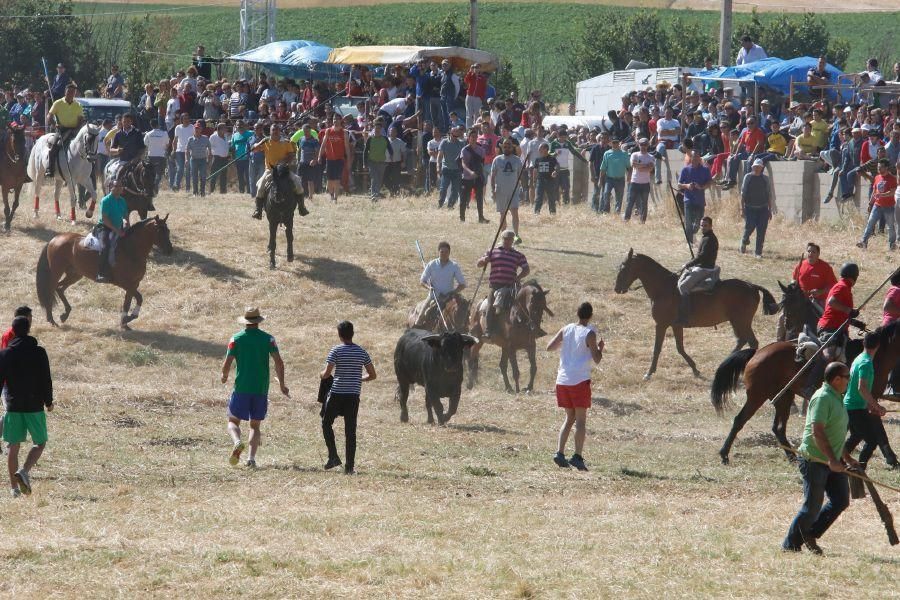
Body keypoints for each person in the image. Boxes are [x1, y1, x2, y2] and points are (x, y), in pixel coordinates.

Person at [782, 361, 857, 555]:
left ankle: (810, 534)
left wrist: (847, 458)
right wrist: (833, 460)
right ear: (837, 379)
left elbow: (836, 434)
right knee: (811, 507)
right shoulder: (822, 398)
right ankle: (790, 545)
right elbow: (818, 432)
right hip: (814, 459)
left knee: (841, 500)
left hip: (832, 460)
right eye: (847, 377)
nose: (849, 380)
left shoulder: (837, 397)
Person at [221, 307, 289, 469]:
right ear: (258, 321)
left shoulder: (236, 339)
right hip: (261, 388)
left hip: (242, 387)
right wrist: (281, 384)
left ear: (245, 322)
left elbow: (228, 362)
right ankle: (251, 459)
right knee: (255, 425)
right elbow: (279, 362)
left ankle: (237, 442)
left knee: (233, 421)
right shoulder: (268, 339)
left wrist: (224, 376)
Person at [546, 302, 604, 471]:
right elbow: (597, 358)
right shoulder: (590, 333)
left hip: (562, 380)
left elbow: (550, 347)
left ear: (577, 313)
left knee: (569, 417)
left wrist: (564, 346)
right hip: (579, 380)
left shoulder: (566, 329)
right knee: (580, 421)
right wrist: (600, 348)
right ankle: (577, 456)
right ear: (590, 315)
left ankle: (559, 453)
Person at [0, 316, 52, 497]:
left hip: (13, 406)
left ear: (13, 331)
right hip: (34, 406)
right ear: (29, 329)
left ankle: (14, 489)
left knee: (13, 447)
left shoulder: (5, 353)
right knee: (40, 443)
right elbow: (46, 378)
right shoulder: (39, 352)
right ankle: (24, 471)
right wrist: (49, 401)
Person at [320, 321, 376, 475]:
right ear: (353, 333)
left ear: (339, 335)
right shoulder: (362, 352)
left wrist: (321, 374)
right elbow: (373, 375)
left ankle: (333, 456)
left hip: (337, 393)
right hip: (353, 395)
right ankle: (349, 467)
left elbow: (326, 374)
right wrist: (360, 379)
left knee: (326, 423)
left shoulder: (336, 350)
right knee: (350, 430)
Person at [843, 333, 897, 468]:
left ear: (864, 343)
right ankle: (860, 469)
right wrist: (876, 406)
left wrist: (869, 405)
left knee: (856, 436)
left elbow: (857, 388)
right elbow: (862, 388)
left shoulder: (859, 358)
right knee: (872, 441)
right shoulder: (866, 363)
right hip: (854, 408)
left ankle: (839, 459)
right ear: (878, 346)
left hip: (853, 405)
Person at [477, 230, 530, 338]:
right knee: (491, 306)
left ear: (513, 241)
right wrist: (484, 260)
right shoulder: (493, 251)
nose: (507, 241)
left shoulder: (518, 255)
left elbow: (526, 269)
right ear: (502, 239)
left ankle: (528, 329)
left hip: (511, 286)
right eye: (505, 239)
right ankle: (488, 330)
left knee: (522, 305)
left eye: (510, 239)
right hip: (495, 286)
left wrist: (518, 277)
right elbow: (479, 264)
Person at [251, 124, 308, 219]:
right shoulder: (265, 142)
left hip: (284, 170)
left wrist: (283, 161)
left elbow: (291, 155)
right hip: (270, 171)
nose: (275, 132)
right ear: (270, 132)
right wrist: (261, 141)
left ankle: (302, 207)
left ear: (280, 131)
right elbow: (254, 150)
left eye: (277, 130)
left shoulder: (286, 142)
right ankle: (258, 210)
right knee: (260, 186)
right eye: (273, 130)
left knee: (298, 184)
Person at [675, 216, 718, 325]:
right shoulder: (705, 237)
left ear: (711, 226)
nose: (703, 227)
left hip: (705, 269)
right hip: (701, 266)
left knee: (683, 286)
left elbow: (702, 257)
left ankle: (685, 316)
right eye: (702, 225)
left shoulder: (709, 239)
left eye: (705, 225)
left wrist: (688, 264)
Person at [416, 241, 467, 328]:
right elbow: (422, 281)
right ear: (438, 252)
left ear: (449, 253)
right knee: (421, 316)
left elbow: (462, 284)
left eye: (446, 252)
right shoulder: (431, 264)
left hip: (448, 298)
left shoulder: (454, 266)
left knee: (462, 313)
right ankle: (417, 329)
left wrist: (453, 292)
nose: (444, 254)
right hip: (433, 296)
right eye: (442, 252)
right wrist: (429, 287)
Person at [45, 83, 84, 178]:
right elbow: (49, 116)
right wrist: (54, 125)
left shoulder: (78, 105)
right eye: (69, 91)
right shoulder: (58, 103)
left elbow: (81, 119)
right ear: (65, 92)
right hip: (61, 130)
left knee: (87, 146)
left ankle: (87, 172)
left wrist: (78, 128)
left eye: (73, 92)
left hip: (75, 130)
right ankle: (50, 169)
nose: (71, 94)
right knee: (54, 147)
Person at [857, 159, 897, 249]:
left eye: (881, 167)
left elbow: (892, 192)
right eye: (878, 167)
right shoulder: (877, 177)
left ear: (886, 167)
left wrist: (881, 195)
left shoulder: (892, 179)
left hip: (889, 207)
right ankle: (863, 242)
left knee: (890, 226)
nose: (878, 168)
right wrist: (870, 203)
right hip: (877, 205)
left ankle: (892, 245)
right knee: (870, 223)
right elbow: (874, 192)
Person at [491, 139, 525, 243]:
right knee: (503, 214)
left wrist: (522, 187)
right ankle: (504, 237)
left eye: (509, 146)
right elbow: (492, 176)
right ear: (502, 147)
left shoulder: (517, 160)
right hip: (501, 191)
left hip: (513, 191)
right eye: (505, 146)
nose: (507, 148)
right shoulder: (497, 160)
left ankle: (516, 236)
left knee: (515, 212)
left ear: (512, 147)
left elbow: (521, 175)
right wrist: (493, 190)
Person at [96, 178, 129, 284]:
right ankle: (101, 273)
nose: (119, 188)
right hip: (104, 227)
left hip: (118, 227)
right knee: (105, 247)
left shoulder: (122, 200)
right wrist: (117, 230)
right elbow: (105, 219)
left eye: (120, 186)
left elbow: (125, 215)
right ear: (110, 188)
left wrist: (126, 222)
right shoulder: (105, 200)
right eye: (116, 186)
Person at [739, 159, 774, 258]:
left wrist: (769, 210)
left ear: (762, 168)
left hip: (763, 208)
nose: (757, 168)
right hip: (750, 208)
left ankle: (758, 252)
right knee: (749, 226)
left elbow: (769, 194)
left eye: (759, 167)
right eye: (755, 166)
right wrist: (742, 209)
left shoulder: (765, 179)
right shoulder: (748, 177)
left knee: (761, 231)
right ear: (752, 167)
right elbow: (743, 194)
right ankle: (744, 240)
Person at [677, 150, 713, 244]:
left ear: (700, 158)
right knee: (688, 223)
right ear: (691, 158)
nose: (696, 159)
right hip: (688, 200)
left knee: (697, 224)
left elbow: (709, 182)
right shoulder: (685, 169)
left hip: (700, 201)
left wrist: (701, 187)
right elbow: (679, 184)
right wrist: (687, 186)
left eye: (697, 157)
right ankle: (690, 244)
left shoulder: (705, 170)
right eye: (694, 157)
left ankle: (692, 235)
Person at [318, 115, 352, 203]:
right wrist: (319, 156)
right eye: (334, 119)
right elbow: (323, 144)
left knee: (337, 179)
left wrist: (348, 160)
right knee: (329, 181)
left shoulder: (344, 132)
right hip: (329, 159)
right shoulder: (328, 131)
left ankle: (335, 198)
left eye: (337, 119)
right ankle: (331, 195)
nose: (335, 121)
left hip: (339, 159)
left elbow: (347, 147)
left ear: (340, 120)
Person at [624, 138, 654, 223]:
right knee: (630, 202)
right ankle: (626, 219)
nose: (643, 146)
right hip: (635, 182)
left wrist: (640, 166)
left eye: (645, 144)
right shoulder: (635, 154)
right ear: (638, 145)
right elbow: (633, 164)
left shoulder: (651, 156)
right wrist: (645, 165)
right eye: (641, 144)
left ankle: (642, 221)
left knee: (644, 203)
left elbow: (650, 169)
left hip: (645, 183)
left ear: (648, 145)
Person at [459, 127, 486, 222]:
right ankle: (462, 218)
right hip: (467, 177)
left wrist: (480, 174)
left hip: (478, 177)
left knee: (479, 198)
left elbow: (482, 163)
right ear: (468, 138)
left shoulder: (481, 150)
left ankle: (481, 218)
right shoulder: (464, 150)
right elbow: (463, 164)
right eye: (472, 136)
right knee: (464, 198)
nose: (474, 138)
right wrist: (470, 172)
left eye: (475, 136)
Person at [597, 137, 630, 214]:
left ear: (619, 143)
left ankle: (617, 212)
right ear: (611, 143)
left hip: (620, 179)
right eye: (613, 142)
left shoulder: (624, 154)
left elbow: (629, 167)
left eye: (616, 142)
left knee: (619, 197)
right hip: (609, 179)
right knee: (606, 193)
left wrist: (629, 177)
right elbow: (603, 168)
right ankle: (606, 210)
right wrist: (600, 180)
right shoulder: (607, 153)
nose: (615, 144)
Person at [363, 118, 393, 201]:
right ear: (374, 129)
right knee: (374, 178)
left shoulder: (385, 139)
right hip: (371, 161)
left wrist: (391, 156)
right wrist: (364, 163)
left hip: (382, 162)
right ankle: (374, 195)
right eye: (376, 128)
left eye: (379, 129)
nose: (377, 130)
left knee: (379, 179)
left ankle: (376, 193)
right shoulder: (370, 139)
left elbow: (390, 149)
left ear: (381, 129)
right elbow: (365, 152)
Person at [437, 125, 465, 209]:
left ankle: (450, 205)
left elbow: (463, 157)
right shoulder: (444, 142)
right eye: (454, 135)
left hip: (457, 170)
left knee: (455, 191)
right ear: (450, 133)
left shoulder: (461, 143)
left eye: (457, 135)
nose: (455, 137)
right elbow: (440, 156)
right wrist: (438, 167)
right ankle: (440, 204)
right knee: (443, 188)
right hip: (446, 169)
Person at [185, 120, 211, 197]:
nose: (197, 130)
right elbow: (187, 150)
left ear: (201, 129)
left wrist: (209, 160)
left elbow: (209, 149)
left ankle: (202, 192)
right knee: (194, 176)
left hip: (203, 160)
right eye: (195, 128)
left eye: (198, 128)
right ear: (194, 129)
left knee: (203, 176)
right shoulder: (190, 139)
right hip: (193, 160)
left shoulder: (205, 138)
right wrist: (186, 159)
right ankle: (195, 192)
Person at [532, 142, 560, 215]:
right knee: (539, 198)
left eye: (540, 148)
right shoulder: (538, 159)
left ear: (546, 149)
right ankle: (536, 213)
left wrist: (555, 171)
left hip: (550, 181)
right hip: (540, 181)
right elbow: (535, 170)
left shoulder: (552, 158)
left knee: (551, 198)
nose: (539, 149)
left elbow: (557, 166)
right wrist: (534, 181)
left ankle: (553, 213)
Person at [143, 119, 169, 194]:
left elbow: (145, 143)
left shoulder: (148, 134)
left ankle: (152, 187)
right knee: (159, 173)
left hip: (151, 156)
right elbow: (167, 143)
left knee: (151, 173)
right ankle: (156, 186)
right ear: (158, 124)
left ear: (151, 125)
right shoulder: (164, 133)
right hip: (161, 156)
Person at [208, 123, 230, 194]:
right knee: (214, 175)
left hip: (225, 159)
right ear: (219, 129)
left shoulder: (226, 136)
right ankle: (211, 191)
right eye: (224, 128)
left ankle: (223, 191)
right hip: (216, 158)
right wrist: (210, 160)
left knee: (223, 176)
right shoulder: (213, 137)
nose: (226, 129)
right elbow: (209, 148)